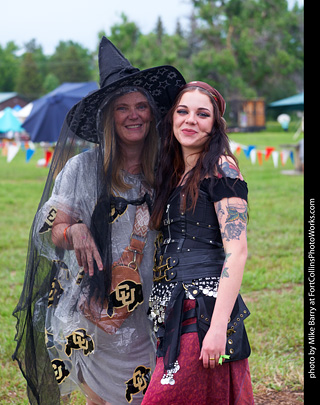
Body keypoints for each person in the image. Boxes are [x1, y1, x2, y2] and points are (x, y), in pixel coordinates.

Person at [12, 36, 185, 405]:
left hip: (153, 313)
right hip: (95, 315)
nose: (134, 115)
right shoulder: (82, 168)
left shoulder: (168, 169)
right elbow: (50, 228)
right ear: (108, 116)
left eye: (141, 106)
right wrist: (72, 230)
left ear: (153, 113)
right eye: (122, 108)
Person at [142, 81, 254, 404]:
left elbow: (237, 251)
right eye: (183, 111)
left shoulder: (222, 167)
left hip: (204, 312)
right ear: (172, 119)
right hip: (171, 312)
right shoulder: (172, 173)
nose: (190, 120)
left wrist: (218, 328)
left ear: (215, 125)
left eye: (202, 114)